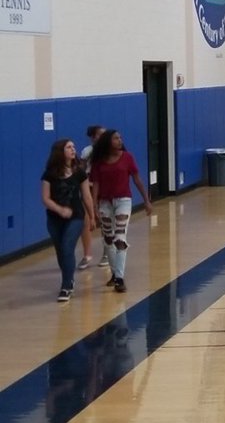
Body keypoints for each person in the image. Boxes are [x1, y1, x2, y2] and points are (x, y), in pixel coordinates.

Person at [88, 129, 153, 294]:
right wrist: (94, 207)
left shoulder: (127, 157)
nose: (120, 140)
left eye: (120, 138)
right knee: (108, 238)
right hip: (104, 202)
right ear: (108, 142)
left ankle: (120, 278)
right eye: (116, 138)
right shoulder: (99, 162)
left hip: (123, 200)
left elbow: (137, 179)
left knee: (119, 238)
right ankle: (114, 273)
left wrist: (146, 200)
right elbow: (95, 184)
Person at [41, 139, 95, 302]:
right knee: (60, 251)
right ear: (60, 151)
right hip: (54, 219)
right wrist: (59, 209)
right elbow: (45, 198)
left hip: (76, 216)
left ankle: (66, 286)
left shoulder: (79, 172)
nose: (73, 149)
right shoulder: (49, 174)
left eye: (73, 147)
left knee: (67, 247)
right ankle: (69, 277)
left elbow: (86, 196)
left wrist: (92, 216)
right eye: (69, 147)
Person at [77, 125, 106, 270]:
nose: (104, 137)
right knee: (86, 221)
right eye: (100, 134)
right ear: (93, 137)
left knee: (105, 220)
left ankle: (107, 252)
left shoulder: (110, 152)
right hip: (88, 187)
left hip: (105, 188)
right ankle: (87, 255)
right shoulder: (87, 152)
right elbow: (81, 170)